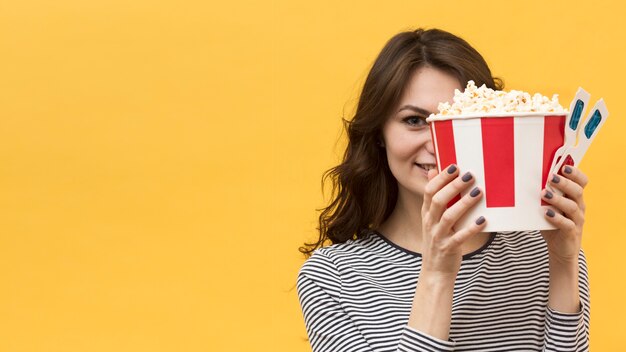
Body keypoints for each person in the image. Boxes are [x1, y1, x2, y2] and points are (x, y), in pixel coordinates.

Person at [296, 28, 590, 351]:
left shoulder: (543, 255)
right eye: (414, 121)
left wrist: (564, 265)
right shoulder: (331, 279)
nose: (438, 143)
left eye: (455, 118)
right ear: (379, 132)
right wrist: (437, 274)